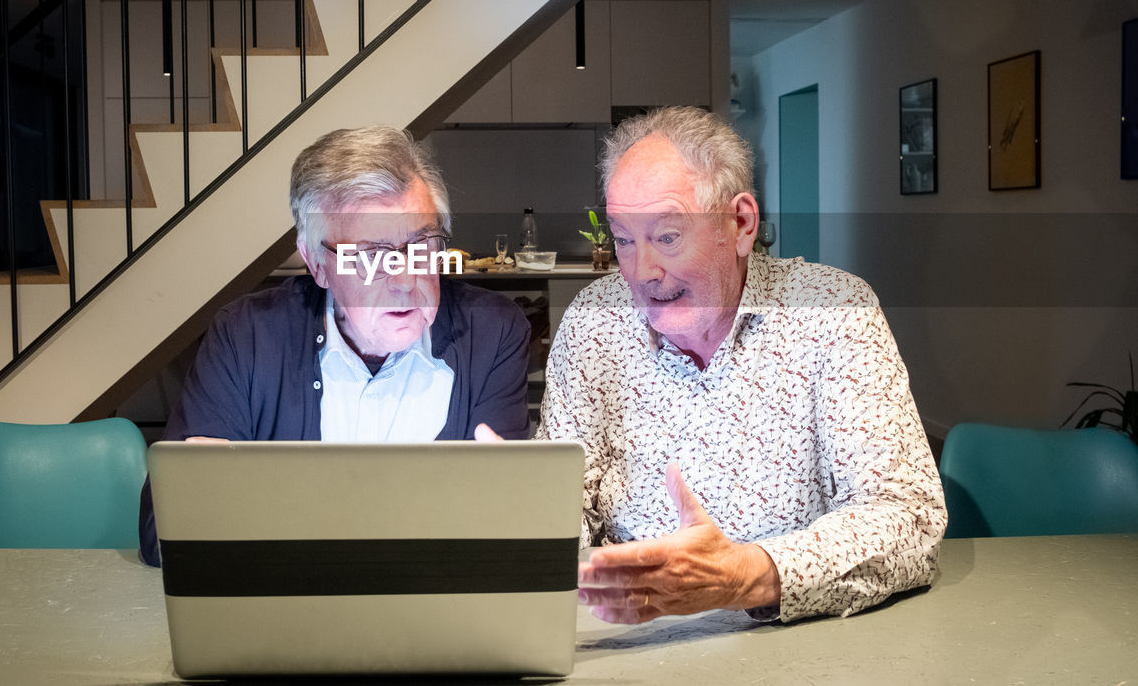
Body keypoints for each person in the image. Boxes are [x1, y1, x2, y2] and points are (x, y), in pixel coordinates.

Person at [527, 106, 946, 624]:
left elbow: (909, 517)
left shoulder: (833, 312)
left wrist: (743, 577)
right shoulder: (594, 322)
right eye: (623, 239)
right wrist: (528, 508)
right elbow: (572, 499)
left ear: (741, 223)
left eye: (667, 236)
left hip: (796, 639)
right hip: (625, 629)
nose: (641, 272)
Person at [139, 126, 531, 567]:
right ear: (317, 263)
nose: (405, 280)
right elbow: (165, 534)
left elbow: (505, 530)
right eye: (369, 255)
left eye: (422, 245)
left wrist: (256, 501)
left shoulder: (491, 333)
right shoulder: (247, 337)